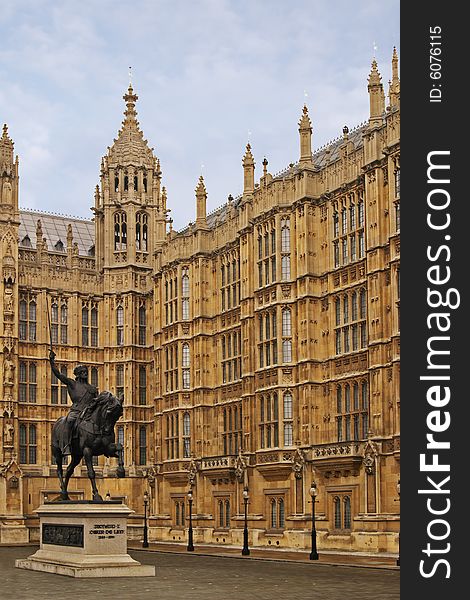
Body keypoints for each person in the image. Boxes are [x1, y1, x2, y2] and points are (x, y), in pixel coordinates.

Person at [49, 350, 99, 454]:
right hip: (76, 412)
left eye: (86, 372)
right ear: (78, 374)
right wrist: (51, 361)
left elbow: (97, 402)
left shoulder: (92, 388)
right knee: (69, 421)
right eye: (82, 372)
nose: (85, 373)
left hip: (88, 414)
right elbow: (58, 374)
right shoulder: (73, 384)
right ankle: (66, 445)